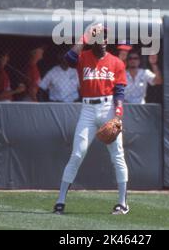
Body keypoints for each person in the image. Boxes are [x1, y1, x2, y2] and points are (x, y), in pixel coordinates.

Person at [54, 24, 130, 216]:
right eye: (99, 38)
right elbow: (68, 58)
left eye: (105, 38)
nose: (103, 41)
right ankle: (60, 200)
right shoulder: (83, 57)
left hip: (108, 108)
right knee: (77, 154)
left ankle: (122, 203)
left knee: (117, 155)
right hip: (87, 109)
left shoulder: (116, 63)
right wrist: (84, 37)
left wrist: (118, 114)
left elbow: (119, 91)